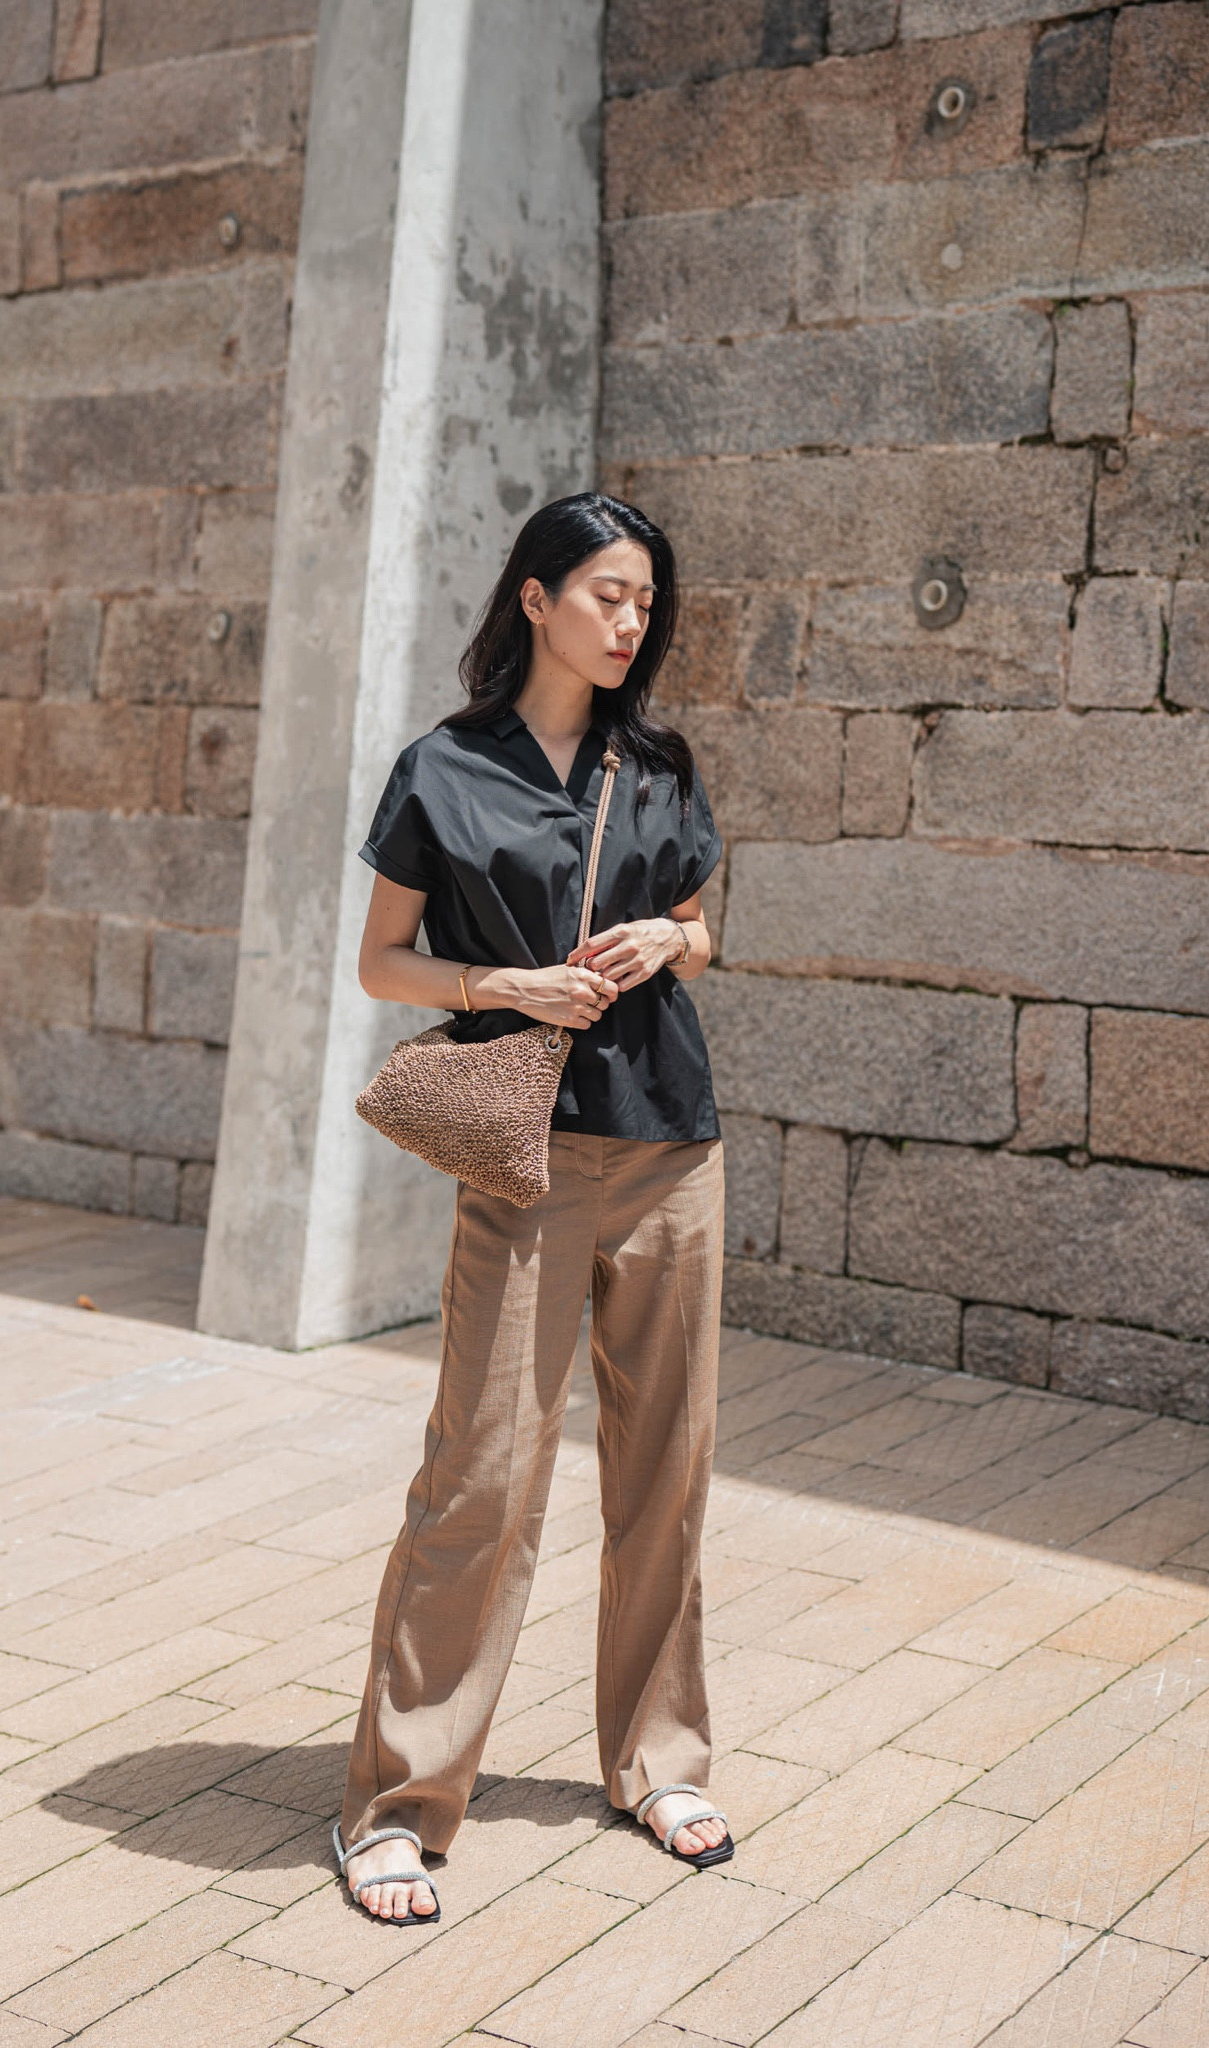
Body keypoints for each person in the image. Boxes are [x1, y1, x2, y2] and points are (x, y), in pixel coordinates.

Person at [333, 492, 731, 1924]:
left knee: (665, 1476)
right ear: (536, 597)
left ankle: (660, 1760)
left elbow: (709, 923)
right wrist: (506, 986)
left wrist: (671, 937)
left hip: (674, 1148)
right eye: (608, 596)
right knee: (484, 1476)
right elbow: (386, 964)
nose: (631, 623)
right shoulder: (443, 770)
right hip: (527, 1160)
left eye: (645, 603)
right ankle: (396, 1803)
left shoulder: (663, 762)